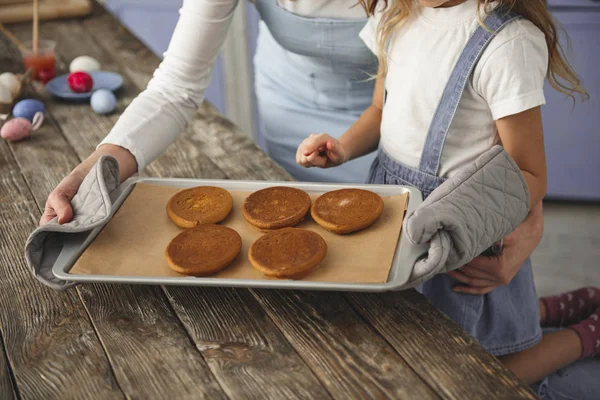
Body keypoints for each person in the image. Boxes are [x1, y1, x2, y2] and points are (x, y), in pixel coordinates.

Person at [42, 1, 542, 294]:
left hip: (441, 169)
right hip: (303, 115)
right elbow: (175, 86)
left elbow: (507, 135)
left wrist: (527, 211)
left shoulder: (495, 37)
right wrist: (99, 166)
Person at [296, 0, 598, 397]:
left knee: (476, 374)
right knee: (405, 349)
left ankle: (585, 335)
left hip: (463, 233)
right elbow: (378, 110)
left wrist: (489, 228)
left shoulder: (507, 42)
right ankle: (551, 310)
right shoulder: (397, 13)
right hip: (393, 218)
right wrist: (343, 148)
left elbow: (529, 174)